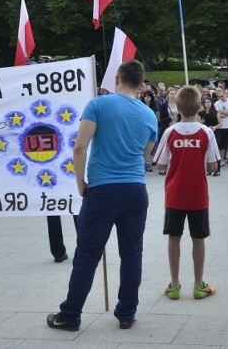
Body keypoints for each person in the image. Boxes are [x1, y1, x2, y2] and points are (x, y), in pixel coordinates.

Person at [46, 60, 158, 332]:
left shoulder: (98, 105)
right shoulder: (149, 114)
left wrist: (80, 183)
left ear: (117, 79)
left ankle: (70, 314)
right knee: (132, 253)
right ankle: (127, 312)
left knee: (87, 254)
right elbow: (146, 154)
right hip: (135, 188)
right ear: (141, 84)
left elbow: (79, 147)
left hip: (103, 188)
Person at [153, 85, 220, 301]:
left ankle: (174, 285)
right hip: (199, 195)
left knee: (174, 237)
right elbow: (213, 167)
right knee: (198, 238)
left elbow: (161, 165)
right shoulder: (207, 133)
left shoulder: (170, 132)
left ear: (178, 107)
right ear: (200, 107)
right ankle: (199, 284)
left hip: (174, 194)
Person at [198, 96, 221, 176]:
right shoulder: (201, 113)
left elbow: (220, 123)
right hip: (204, 133)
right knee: (205, 150)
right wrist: (201, 121)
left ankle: (217, 169)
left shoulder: (216, 112)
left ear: (211, 103)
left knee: (215, 150)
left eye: (209, 102)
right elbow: (198, 123)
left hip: (215, 132)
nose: (207, 104)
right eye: (206, 102)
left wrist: (215, 127)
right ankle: (207, 169)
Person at [213, 88, 228, 165]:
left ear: (225, 93)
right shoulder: (216, 103)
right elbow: (217, 115)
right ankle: (221, 160)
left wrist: (220, 112)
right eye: (219, 96)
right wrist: (225, 112)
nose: (220, 97)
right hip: (221, 127)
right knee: (221, 145)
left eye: (222, 95)